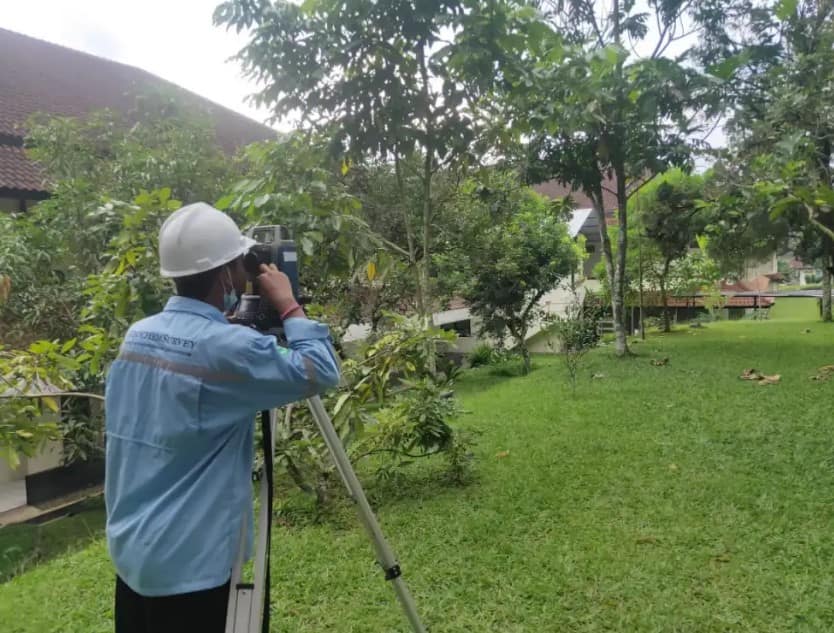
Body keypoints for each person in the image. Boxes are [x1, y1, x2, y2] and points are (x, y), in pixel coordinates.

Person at [104, 202, 340, 633]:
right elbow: (321, 370)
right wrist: (288, 305)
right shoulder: (227, 349)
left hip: (134, 553)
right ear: (226, 274)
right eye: (239, 264)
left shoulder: (137, 335)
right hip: (191, 568)